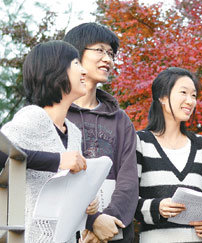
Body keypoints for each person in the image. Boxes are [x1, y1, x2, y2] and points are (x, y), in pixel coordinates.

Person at [0, 40, 96, 242]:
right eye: (77, 63)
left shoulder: (74, 133)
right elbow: (2, 153)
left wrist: (86, 203)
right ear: (56, 70)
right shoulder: (32, 117)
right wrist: (56, 160)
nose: (84, 71)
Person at [63, 23, 138, 242]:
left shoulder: (120, 120)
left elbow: (129, 180)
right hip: (67, 230)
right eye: (100, 50)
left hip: (114, 231)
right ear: (76, 54)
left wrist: (107, 222)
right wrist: (92, 221)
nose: (108, 59)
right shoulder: (57, 112)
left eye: (111, 53)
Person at [135, 67, 202, 242]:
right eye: (183, 92)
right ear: (162, 97)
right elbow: (129, 199)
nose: (190, 101)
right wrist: (157, 207)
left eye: (194, 95)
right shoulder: (140, 142)